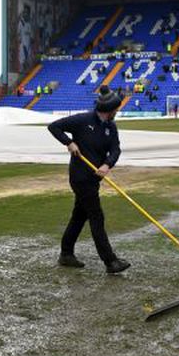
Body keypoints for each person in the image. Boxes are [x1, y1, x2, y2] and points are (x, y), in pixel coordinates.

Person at [47, 85, 130, 274]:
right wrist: (69, 142)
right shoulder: (83, 120)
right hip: (80, 177)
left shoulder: (111, 127)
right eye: (116, 109)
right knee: (96, 217)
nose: (117, 112)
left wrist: (107, 164)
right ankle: (110, 261)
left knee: (79, 216)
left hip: (94, 178)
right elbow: (54, 127)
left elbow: (116, 149)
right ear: (109, 110)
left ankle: (66, 254)